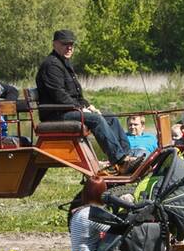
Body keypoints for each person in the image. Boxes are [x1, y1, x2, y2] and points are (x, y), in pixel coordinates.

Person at [35, 30, 140, 173]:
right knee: (96, 120)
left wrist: (88, 105)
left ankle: (126, 157)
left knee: (110, 118)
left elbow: (75, 94)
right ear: (55, 44)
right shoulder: (51, 66)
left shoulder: (64, 63)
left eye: (71, 44)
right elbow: (59, 96)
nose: (69, 47)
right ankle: (120, 160)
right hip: (55, 114)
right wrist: (80, 109)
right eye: (65, 44)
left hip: (67, 109)